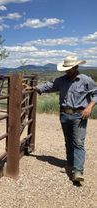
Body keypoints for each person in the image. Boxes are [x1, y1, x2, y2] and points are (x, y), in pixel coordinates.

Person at [24, 55, 97, 183]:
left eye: (70, 69)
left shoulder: (86, 80)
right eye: (66, 69)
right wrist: (33, 88)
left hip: (79, 115)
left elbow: (96, 94)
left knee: (78, 142)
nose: (67, 71)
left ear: (76, 67)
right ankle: (71, 163)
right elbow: (49, 86)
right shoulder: (61, 80)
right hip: (64, 114)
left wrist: (90, 107)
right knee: (68, 140)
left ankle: (78, 171)